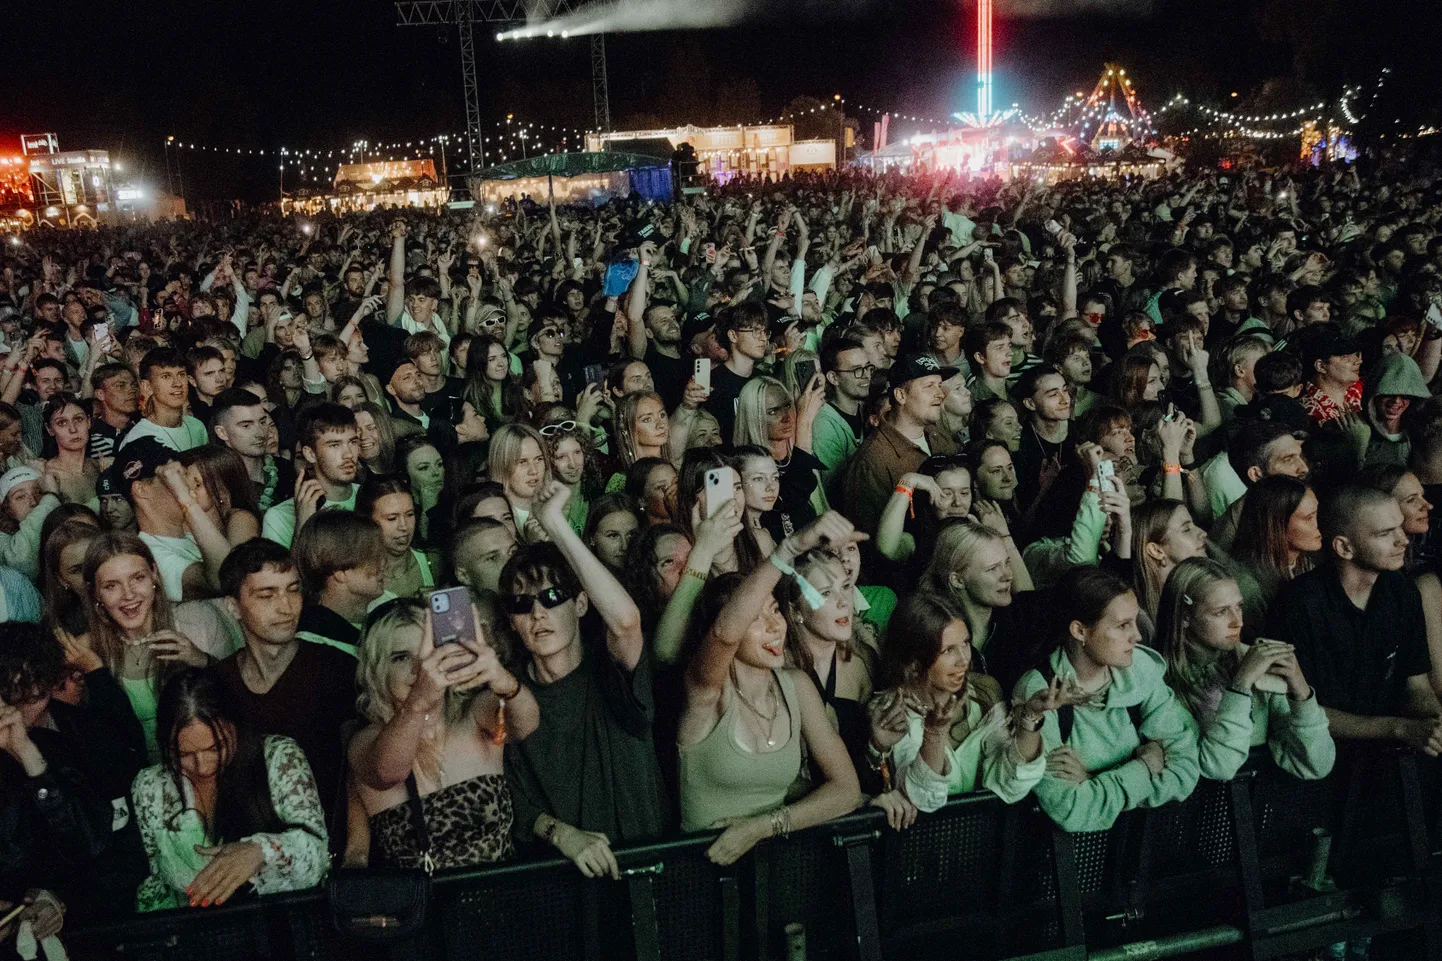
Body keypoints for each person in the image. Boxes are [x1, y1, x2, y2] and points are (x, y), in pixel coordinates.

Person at [501, 481, 667, 875]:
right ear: (511, 619)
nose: (538, 613)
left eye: (553, 597)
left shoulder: (609, 667)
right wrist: (561, 834)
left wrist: (556, 525)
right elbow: (503, 792)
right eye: (523, 604)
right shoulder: (506, 691)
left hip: (645, 869)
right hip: (558, 882)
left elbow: (627, 622)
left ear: (579, 603)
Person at [677, 512, 862, 863]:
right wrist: (789, 548)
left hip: (778, 865)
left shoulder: (795, 685)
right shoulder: (706, 694)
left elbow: (846, 790)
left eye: (775, 611)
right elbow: (724, 632)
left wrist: (762, 827)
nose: (775, 627)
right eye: (755, 619)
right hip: (707, 873)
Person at [350, 597, 540, 870]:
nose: (420, 669)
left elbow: (526, 723)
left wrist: (501, 678)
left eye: (428, 655)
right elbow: (389, 771)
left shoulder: (474, 714)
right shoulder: (365, 740)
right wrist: (418, 702)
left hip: (501, 897)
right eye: (401, 657)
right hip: (424, 907)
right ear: (378, 669)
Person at [1015, 567, 1200, 832]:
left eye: (1135, 622)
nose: (1136, 636)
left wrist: (1094, 780)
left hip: (1142, 849)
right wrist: (1145, 766)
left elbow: (1185, 770)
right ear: (1080, 630)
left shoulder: (1141, 669)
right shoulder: (1040, 691)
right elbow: (1071, 809)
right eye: (1123, 625)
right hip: (1068, 861)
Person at [865, 593, 1078, 822]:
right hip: (925, 846)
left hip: (989, 839)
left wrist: (1031, 716)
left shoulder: (984, 692)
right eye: (948, 650)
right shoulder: (889, 711)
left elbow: (1011, 782)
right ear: (914, 662)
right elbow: (924, 799)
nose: (963, 659)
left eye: (965, 643)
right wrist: (935, 734)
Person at [1266, 484, 1442, 756]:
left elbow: (1415, 683)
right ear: (1344, 547)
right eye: (1385, 533)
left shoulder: (1402, 591)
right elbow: (1296, 708)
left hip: (1389, 754)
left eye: (1399, 527)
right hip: (1318, 756)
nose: (1403, 540)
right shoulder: (1299, 603)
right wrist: (1397, 728)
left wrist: (1434, 718)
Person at [131, 669, 328, 910]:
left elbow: (317, 857)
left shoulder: (278, 757)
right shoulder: (150, 786)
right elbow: (155, 880)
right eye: (184, 754)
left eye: (216, 748)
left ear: (236, 726)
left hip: (276, 924)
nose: (202, 766)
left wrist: (260, 852)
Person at [214, 539, 358, 822]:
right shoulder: (217, 684)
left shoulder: (338, 669)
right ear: (233, 607)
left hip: (328, 833)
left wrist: (355, 851)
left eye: (293, 590)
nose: (286, 607)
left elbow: (359, 770)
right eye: (266, 595)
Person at [1154, 557, 1333, 782]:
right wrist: (1240, 687)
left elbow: (1318, 764)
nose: (1237, 622)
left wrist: (1300, 691)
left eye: (1239, 607)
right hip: (1199, 811)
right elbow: (1218, 768)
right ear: (1185, 617)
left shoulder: (1255, 659)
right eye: (1220, 612)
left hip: (1263, 807)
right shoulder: (1157, 678)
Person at [81, 532, 219, 758]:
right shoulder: (87, 650)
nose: (128, 595)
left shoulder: (196, 621)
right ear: (95, 593)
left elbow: (236, 703)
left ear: (154, 574)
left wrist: (202, 660)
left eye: (138, 578)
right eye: (111, 586)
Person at [842, 353, 959, 537]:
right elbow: (872, 539)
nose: (940, 394)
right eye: (929, 386)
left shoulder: (938, 434)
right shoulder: (872, 461)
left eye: (939, 385)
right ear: (900, 395)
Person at [261, 403, 361, 549]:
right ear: (310, 454)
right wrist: (302, 526)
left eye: (352, 442)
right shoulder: (280, 516)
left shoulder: (372, 498)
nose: (348, 454)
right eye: (334, 445)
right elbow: (282, 571)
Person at [292, 511, 388, 654]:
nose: (383, 564)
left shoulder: (383, 613)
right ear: (340, 573)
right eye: (372, 556)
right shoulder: (315, 646)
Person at [1230, 477, 1321, 608]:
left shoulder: (1304, 563)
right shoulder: (1250, 588)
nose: (1319, 524)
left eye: (1317, 514)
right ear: (1276, 524)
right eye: (1308, 518)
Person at [360, 477, 437, 600]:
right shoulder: (356, 578)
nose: (404, 526)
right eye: (392, 518)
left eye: (409, 515)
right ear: (368, 522)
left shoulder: (433, 562)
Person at [120, 348, 209, 452]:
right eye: (166, 376)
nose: (177, 383)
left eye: (181, 374)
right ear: (147, 386)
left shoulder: (197, 427)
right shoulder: (137, 438)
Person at [487, 423, 550, 544]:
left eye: (539, 459)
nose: (534, 470)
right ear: (501, 466)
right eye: (522, 462)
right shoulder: (496, 519)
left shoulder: (555, 506)